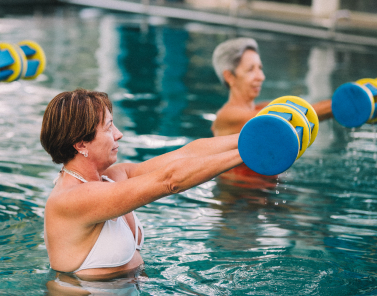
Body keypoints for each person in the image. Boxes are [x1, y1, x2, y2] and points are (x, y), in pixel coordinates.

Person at [40, 89, 243, 279]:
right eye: (109, 127)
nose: (118, 134)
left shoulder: (113, 177)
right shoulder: (72, 199)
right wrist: (247, 153)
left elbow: (187, 154)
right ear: (81, 144)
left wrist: (250, 137)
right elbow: (170, 180)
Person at [211, 37, 333, 137]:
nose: (261, 77)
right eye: (250, 70)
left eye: (260, 68)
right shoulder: (227, 116)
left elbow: (305, 112)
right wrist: (341, 103)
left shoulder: (261, 107)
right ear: (229, 77)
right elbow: (288, 117)